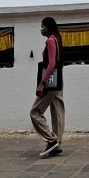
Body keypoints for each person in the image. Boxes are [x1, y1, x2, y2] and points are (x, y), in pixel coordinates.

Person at [30, 17, 65, 159]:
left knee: (35, 111)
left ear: (48, 27)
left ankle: (51, 141)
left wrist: (42, 83)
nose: (41, 29)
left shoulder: (51, 40)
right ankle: (57, 144)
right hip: (58, 81)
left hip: (50, 82)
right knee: (57, 112)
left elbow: (51, 64)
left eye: (42, 26)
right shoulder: (57, 38)